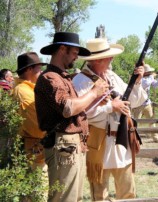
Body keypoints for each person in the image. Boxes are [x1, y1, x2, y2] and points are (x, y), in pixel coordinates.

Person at [34, 32, 109, 202]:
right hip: (64, 145)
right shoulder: (50, 78)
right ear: (62, 49)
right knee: (65, 198)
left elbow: (74, 109)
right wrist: (93, 92)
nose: (76, 58)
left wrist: (96, 98)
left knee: (74, 197)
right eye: (74, 53)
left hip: (71, 145)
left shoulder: (62, 78)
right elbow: (68, 109)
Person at [72, 38, 147, 200]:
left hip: (121, 141)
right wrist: (111, 107)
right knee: (100, 195)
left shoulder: (111, 76)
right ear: (97, 59)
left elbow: (134, 101)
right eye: (108, 56)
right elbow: (81, 114)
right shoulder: (79, 81)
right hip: (98, 142)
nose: (111, 59)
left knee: (128, 192)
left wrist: (137, 82)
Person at [12, 52, 47, 170]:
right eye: (39, 69)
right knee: (40, 185)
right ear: (29, 69)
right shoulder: (23, 92)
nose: (41, 72)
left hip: (36, 149)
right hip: (34, 149)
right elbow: (37, 128)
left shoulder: (27, 88)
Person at [131, 64, 158, 143]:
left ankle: (155, 137)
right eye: (149, 72)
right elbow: (145, 84)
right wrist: (152, 76)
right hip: (138, 104)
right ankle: (133, 138)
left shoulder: (148, 78)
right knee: (136, 122)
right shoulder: (139, 79)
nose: (150, 73)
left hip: (147, 103)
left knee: (152, 121)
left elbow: (157, 85)